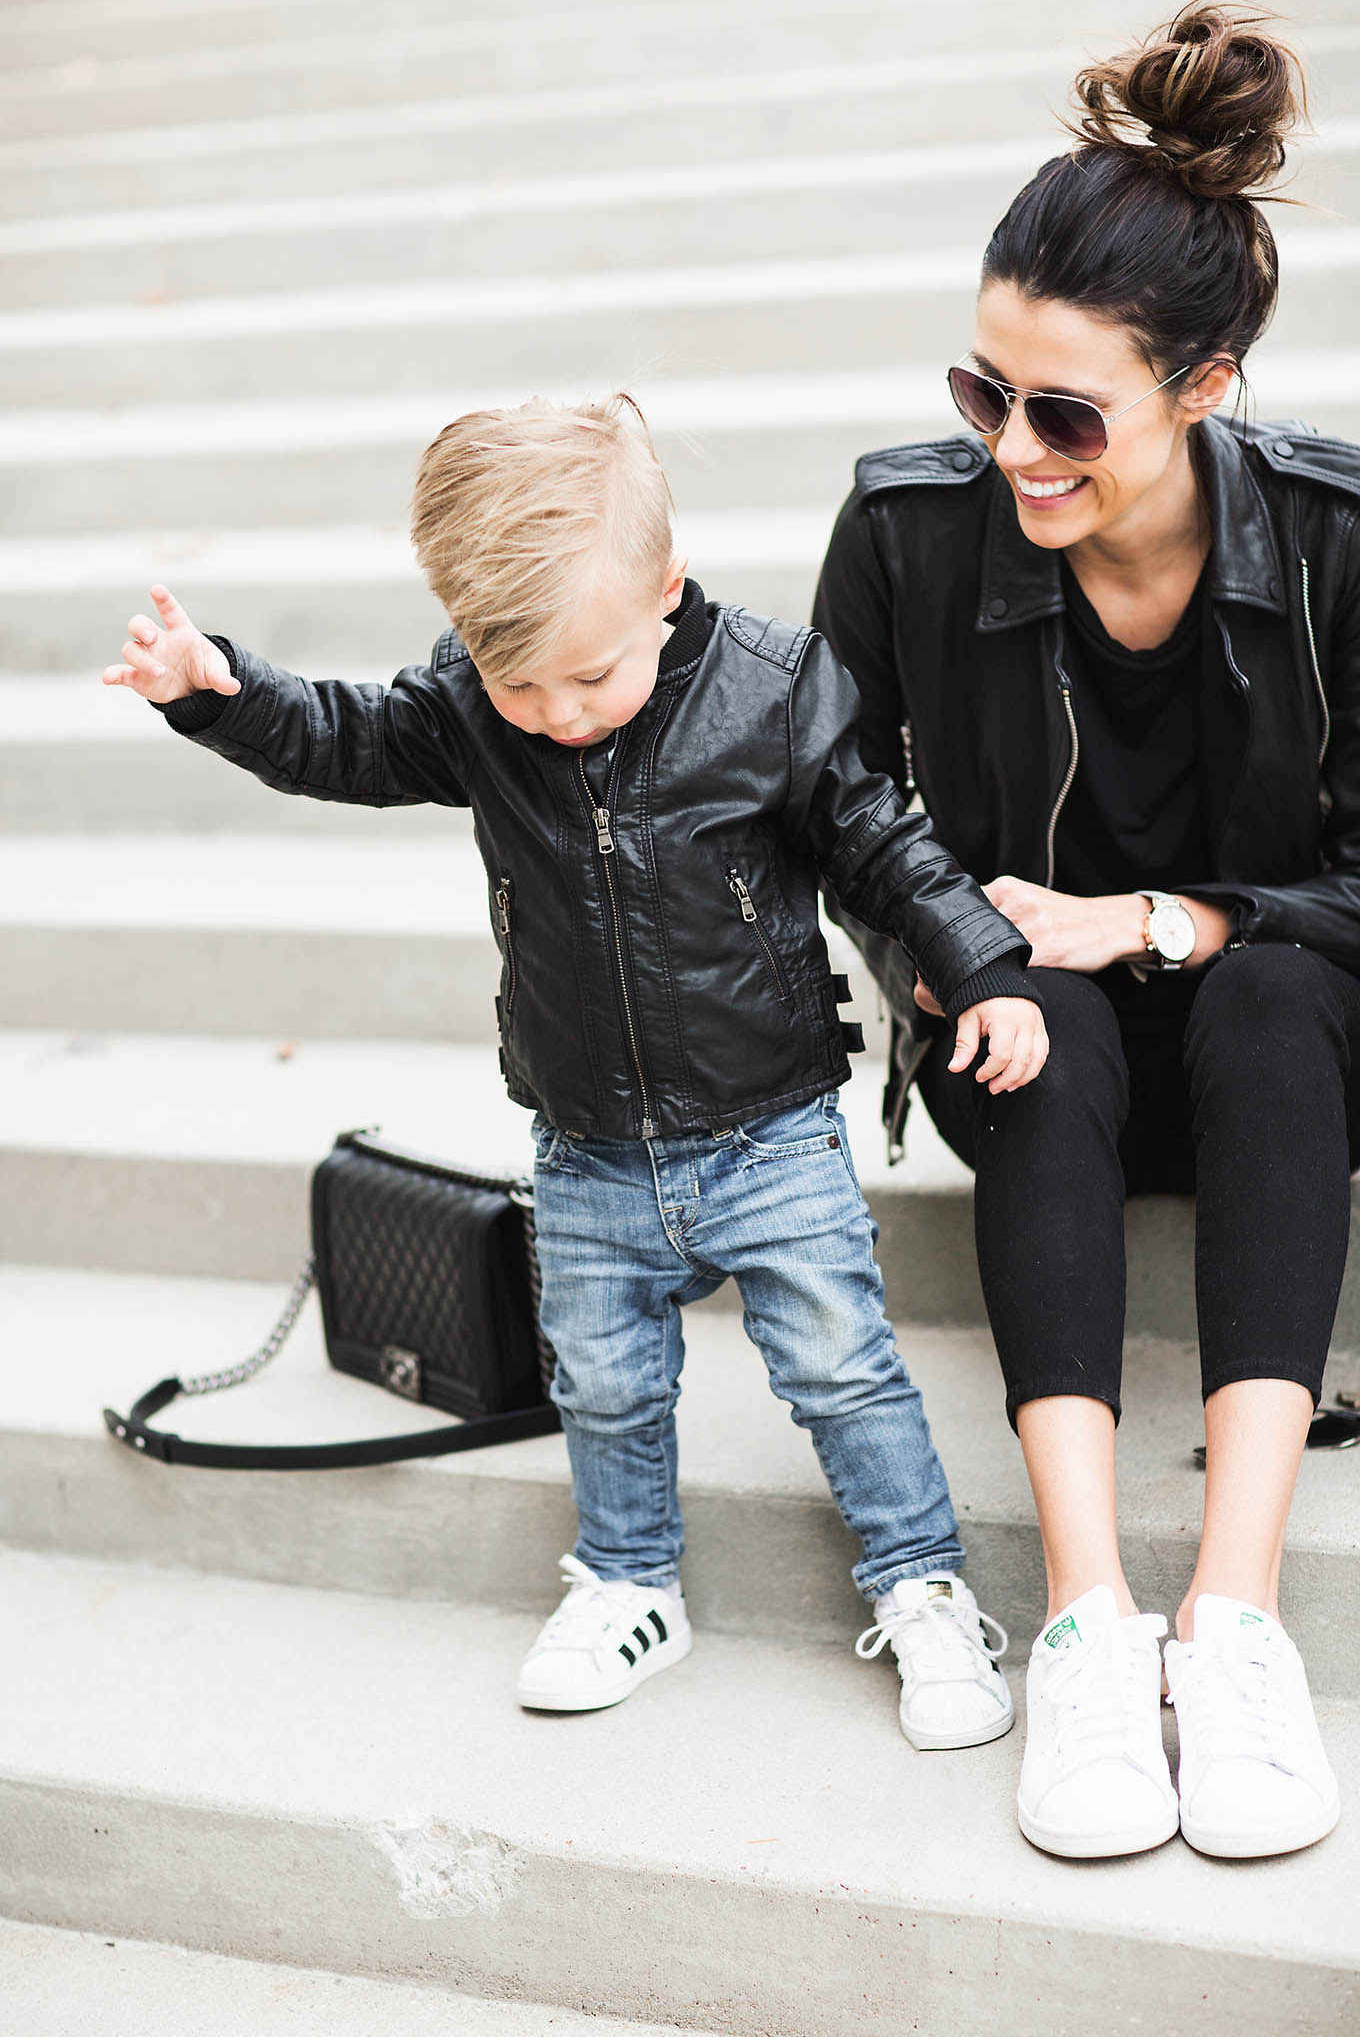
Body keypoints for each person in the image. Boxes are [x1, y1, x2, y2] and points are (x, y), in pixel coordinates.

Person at [101, 395, 1047, 1747]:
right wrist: (216, 692)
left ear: (665, 588)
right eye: (519, 686)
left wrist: (989, 967)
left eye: (592, 677)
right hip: (588, 1141)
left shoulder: (773, 688)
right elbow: (345, 738)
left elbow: (885, 847)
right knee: (602, 1384)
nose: (556, 717)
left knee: (842, 1370)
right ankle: (627, 1582)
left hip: (770, 1130)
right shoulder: (470, 707)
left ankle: (922, 1584)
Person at [814, 3, 1352, 1859]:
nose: (1013, 453)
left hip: (1280, 1053)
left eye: (1065, 414)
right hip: (1034, 1053)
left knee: (1269, 988)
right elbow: (837, 803)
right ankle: (1087, 1622)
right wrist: (962, 948)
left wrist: (1162, 916)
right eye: (987, 396)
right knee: (1044, 1010)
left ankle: (1234, 1619)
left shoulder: (1340, 540)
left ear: (1205, 385)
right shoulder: (905, 532)